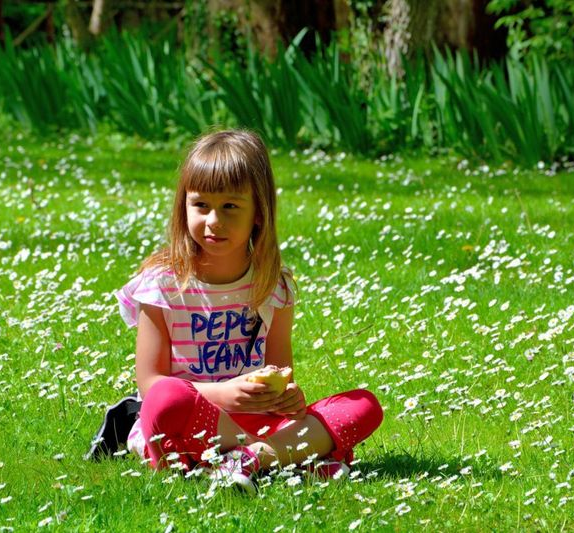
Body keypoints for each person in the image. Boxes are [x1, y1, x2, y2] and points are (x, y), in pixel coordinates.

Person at [116, 129, 383, 492]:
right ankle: (289, 457)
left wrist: (287, 398)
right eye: (201, 205)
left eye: (230, 206)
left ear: (258, 212)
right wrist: (222, 394)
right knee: (167, 399)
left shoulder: (272, 285)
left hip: (256, 422)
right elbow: (151, 383)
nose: (214, 220)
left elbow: (279, 372)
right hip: (188, 419)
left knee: (364, 406)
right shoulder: (162, 284)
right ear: (184, 207)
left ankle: (248, 460)